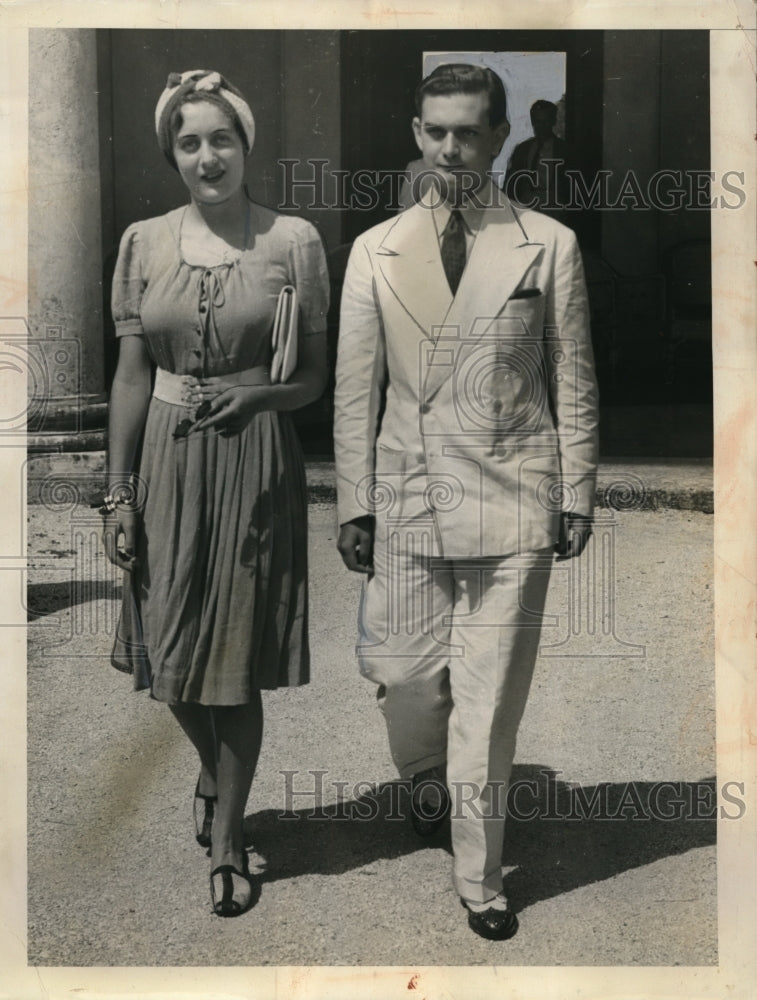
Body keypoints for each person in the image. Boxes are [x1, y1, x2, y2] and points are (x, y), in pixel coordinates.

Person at [334, 64, 598, 941]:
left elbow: (572, 374)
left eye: (469, 132)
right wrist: (353, 503)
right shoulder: (376, 248)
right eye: (436, 131)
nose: (452, 148)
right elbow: (353, 388)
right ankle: (422, 776)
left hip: (514, 495)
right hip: (408, 497)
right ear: (416, 134)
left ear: (495, 138)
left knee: (489, 701)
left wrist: (576, 489)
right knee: (402, 674)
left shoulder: (545, 242)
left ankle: (478, 877)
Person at [102, 69, 329, 917]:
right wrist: (116, 493)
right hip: (163, 459)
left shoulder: (292, 241)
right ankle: (213, 771)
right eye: (190, 141)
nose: (208, 156)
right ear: (173, 152)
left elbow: (310, 379)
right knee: (168, 651)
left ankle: (229, 839)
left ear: (246, 145)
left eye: (221, 138)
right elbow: (129, 378)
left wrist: (259, 396)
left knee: (232, 664)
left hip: (252, 460)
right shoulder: (141, 243)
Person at [505, 99, 568, 212]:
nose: (540, 127)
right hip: (525, 209)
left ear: (553, 121)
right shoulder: (522, 149)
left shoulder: (564, 150)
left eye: (545, 122)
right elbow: (511, 182)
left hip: (554, 210)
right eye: (537, 122)